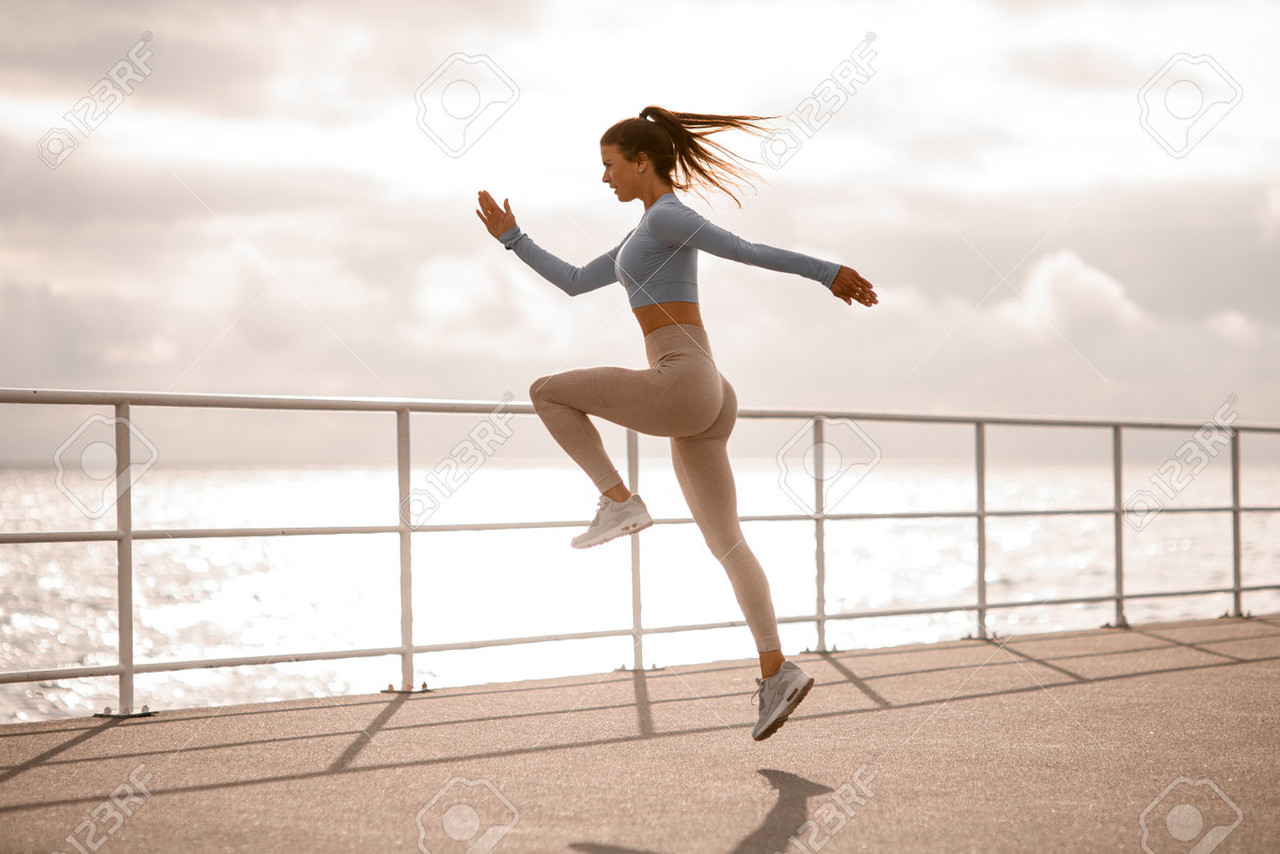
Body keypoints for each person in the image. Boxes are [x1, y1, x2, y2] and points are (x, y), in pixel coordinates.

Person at [476, 106, 877, 741]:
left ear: (642, 161)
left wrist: (828, 272)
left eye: (609, 165)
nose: (603, 178)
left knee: (546, 392)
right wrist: (513, 237)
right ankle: (776, 671)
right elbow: (578, 281)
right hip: (707, 393)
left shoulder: (667, 216)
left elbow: (746, 250)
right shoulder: (644, 233)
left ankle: (619, 501)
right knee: (729, 544)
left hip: (685, 378)